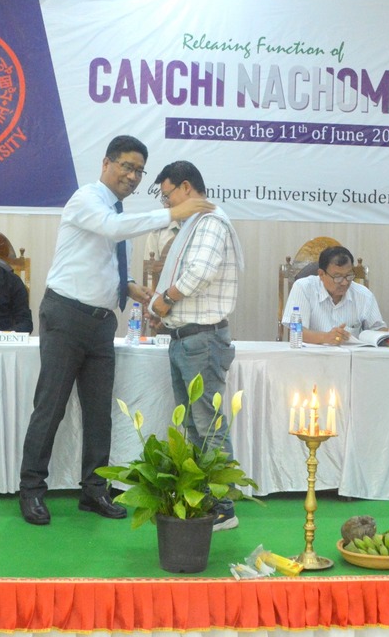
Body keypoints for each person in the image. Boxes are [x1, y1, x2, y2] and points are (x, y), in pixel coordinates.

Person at [18, 136, 214, 526]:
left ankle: (94, 490)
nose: (133, 176)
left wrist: (128, 286)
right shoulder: (87, 199)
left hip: (101, 323)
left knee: (99, 414)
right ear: (106, 163)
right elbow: (110, 229)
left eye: (139, 170)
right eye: (127, 166)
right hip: (66, 316)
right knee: (50, 407)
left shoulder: (116, 209)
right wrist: (172, 214)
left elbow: (98, 258)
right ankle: (31, 489)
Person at [148, 160, 243, 531]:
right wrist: (164, 313)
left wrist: (165, 300)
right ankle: (205, 500)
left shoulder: (210, 221)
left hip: (202, 340)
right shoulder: (192, 224)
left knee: (208, 425)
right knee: (193, 424)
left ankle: (223, 507)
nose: (167, 204)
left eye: (168, 195)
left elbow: (200, 273)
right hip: (186, 338)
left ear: (186, 187)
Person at [280, 245, 389, 345]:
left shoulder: (364, 295)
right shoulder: (303, 288)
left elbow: (376, 329)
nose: (344, 283)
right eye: (338, 277)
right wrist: (325, 337)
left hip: (352, 358)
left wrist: (388, 335)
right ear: (321, 274)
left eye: (349, 276)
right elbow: (296, 332)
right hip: (313, 356)